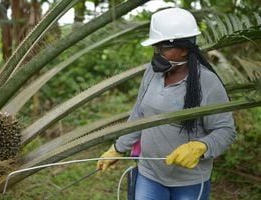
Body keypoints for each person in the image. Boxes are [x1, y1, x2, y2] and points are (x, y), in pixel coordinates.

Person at [96, 7, 236, 200]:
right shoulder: (152, 72)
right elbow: (139, 114)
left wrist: (201, 147)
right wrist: (118, 148)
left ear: (185, 49)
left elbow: (226, 131)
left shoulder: (208, 82)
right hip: (149, 175)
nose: (158, 53)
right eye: (156, 47)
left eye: (164, 48)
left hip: (189, 183)